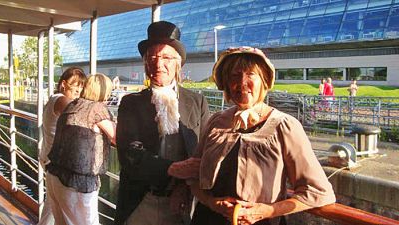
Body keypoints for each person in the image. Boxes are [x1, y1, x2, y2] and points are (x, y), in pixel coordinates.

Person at [182, 47, 336, 225]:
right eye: (234, 75)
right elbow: (194, 176)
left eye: (250, 74)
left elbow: (319, 191)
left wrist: (268, 211)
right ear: (226, 83)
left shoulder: (284, 126)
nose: (242, 82)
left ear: (264, 81)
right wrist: (212, 203)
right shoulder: (216, 122)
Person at [114, 21, 210, 225]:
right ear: (145, 63)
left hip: (181, 204)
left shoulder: (197, 102)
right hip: (139, 203)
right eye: (152, 57)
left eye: (166, 57)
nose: (158, 64)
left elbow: (205, 152)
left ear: (178, 63)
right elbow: (129, 153)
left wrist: (184, 187)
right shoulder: (130, 103)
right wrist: (173, 169)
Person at [46, 73, 116, 225]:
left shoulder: (72, 104)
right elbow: (116, 137)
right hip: (76, 182)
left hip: (55, 175)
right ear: (103, 92)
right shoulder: (97, 108)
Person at [38, 67, 87, 225]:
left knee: (52, 207)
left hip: (50, 157)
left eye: (81, 86)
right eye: (75, 85)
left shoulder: (54, 98)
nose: (78, 89)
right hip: (55, 161)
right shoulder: (61, 99)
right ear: (64, 84)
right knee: (61, 209)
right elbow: (79, 116)